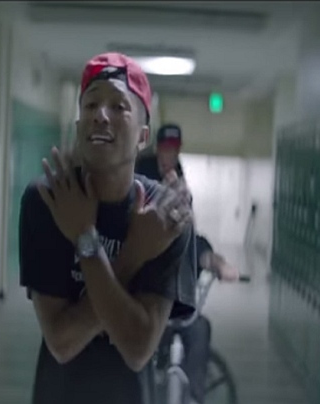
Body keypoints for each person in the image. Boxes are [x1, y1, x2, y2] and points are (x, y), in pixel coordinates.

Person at [19, 52, 198, 404]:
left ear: (143, 136)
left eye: (119, 107)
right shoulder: (47, 201)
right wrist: (131, 253)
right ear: (78, 126)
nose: (101, 115)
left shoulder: (166, 216)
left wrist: (87, 241)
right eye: (90, 105)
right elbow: (62, 341)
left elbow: (137, 348)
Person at [136, 123, 238, 403]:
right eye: (165, 148)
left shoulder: (176, 177)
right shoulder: (142, 177)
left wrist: (213, 260)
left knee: (199, 328)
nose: (170, 153)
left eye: (174, 149)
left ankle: (193, 395)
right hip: (143, 299)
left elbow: (190, 238)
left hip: (174, 302)